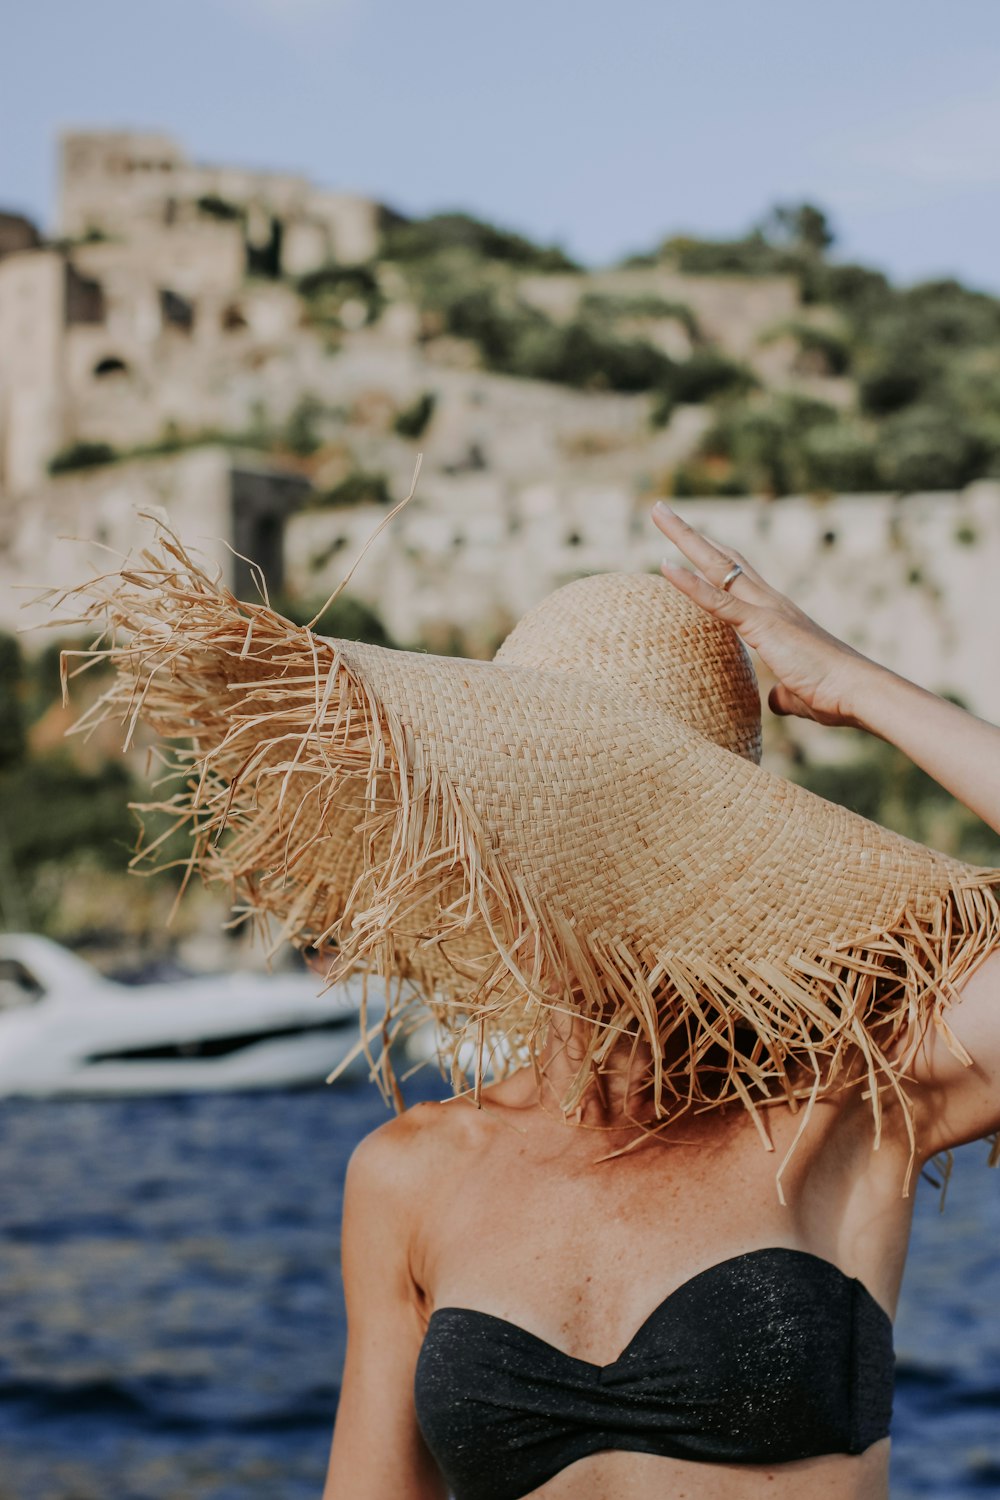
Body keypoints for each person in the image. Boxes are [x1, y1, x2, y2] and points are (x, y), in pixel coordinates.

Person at [63, 505, 1000, 1500]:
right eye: (553, 831)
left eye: (647, 840)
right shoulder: (410, 1174)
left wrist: (850, 681)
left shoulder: (845, 1106)